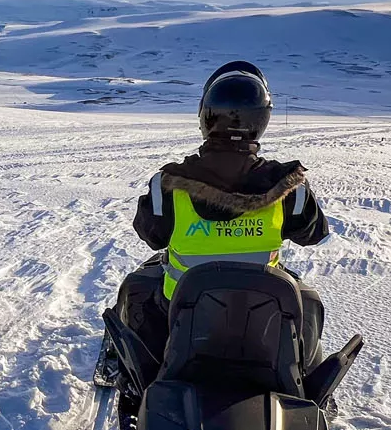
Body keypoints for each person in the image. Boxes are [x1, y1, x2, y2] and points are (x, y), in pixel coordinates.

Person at [116, 60, 330, 375]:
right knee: (307, 301)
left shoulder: (168, 185)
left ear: (206, 116)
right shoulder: (289, 188)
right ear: (262, 120)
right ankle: (306, 383)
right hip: (263, 319)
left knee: (136, 287)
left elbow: (151, 236)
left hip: (181, 317)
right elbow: (312, 233)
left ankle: (130, 376)